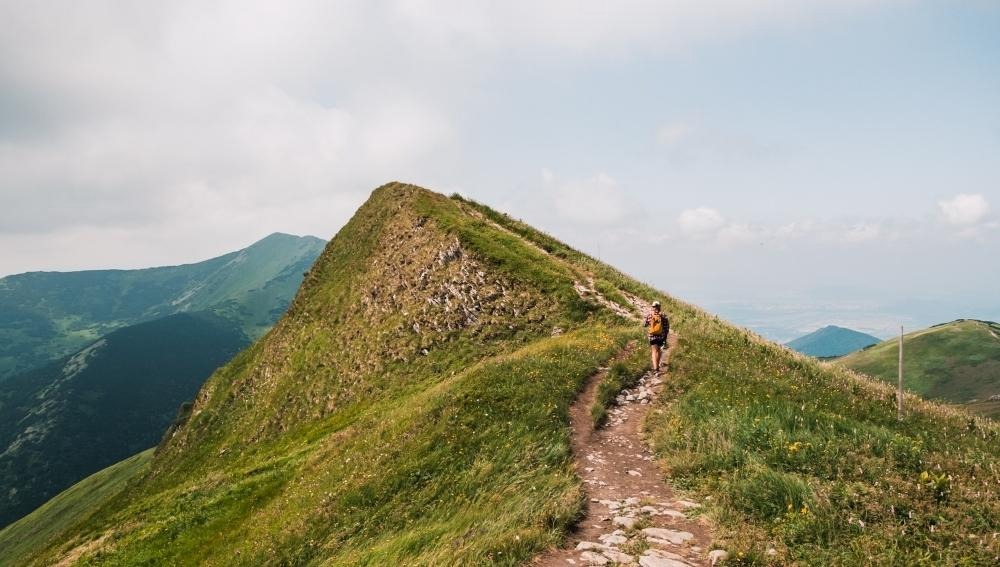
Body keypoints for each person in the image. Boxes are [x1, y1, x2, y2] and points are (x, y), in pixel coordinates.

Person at [643, 301, 669, 374]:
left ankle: (655, 368)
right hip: (661, 336)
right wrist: (665, 336)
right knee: (658, 350)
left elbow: (645, 324)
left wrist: (649, 322)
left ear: (653, 307)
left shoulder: (650, 315)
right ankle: (657, 366)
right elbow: (667, 327)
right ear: (659, 307)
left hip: (652, 336)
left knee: (654, 351)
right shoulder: (663, 315)